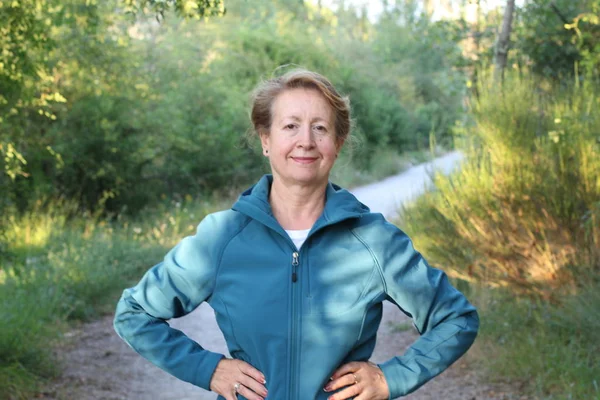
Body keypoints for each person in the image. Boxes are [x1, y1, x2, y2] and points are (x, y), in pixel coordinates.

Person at [113, 68, 479, 400]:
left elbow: (457, 318)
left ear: (337, 143)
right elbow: (135, 313)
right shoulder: (222, 238)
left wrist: (390, 378)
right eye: (290, 126)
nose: (305, 140)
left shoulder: (375, 242)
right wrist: (209, 369)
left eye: (320, 128)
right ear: (265, 139)